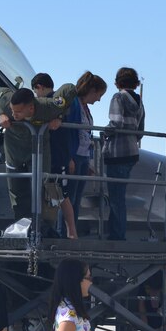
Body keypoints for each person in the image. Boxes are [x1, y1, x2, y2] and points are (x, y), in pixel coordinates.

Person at [0, 85, 76, 222]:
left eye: (18, 112)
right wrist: (2, 112)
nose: (14, 115)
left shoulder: (48, 106)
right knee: (17, 193)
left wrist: (60, 116)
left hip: (38, 152)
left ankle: (43, 227)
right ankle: (21, 227)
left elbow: (70, 89)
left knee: (42, 190)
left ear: (31, 108)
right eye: (12, 111)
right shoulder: (7, 101)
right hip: (14, 152)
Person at [33, 73, 79, 240]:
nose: (36, 95)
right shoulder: (51, 104)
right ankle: (63, 230)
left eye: (36, 91)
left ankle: (71, 231)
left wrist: (58, 116)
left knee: (61, 195)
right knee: (55, 194)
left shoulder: (54, 103)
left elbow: (64, 103)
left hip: (57, 156)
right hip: (53, 156)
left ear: (40, 87)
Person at [63, 72, 108, 236]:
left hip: (82, 158)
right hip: (74, 157)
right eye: (99, 94)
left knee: (76, 199)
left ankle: (71, 233)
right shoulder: (74, 104)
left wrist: (88, 161)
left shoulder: (85, 108)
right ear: (92, 90)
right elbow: (68, 133)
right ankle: (66, 234)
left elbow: (86, 134)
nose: (99, 99)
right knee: (68, 199)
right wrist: (69, 158)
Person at [102, 67, 144, 240]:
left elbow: (116, 123)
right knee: (119, 196)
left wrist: (104, 132)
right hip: (132, 152)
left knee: (115, 198)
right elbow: (140, 132)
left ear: (117, 83)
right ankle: (117, 233)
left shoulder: (117, 97)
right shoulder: (140, 102)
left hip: (116, 153)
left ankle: (117, 235)